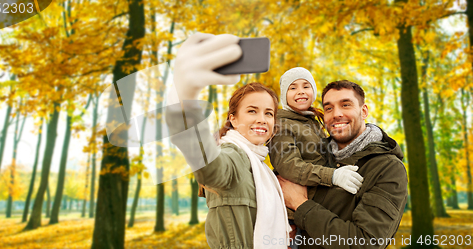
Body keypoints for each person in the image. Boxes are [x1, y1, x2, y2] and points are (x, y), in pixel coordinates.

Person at [166, 33, 290, 249]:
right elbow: (211, 168)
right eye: (252, 111)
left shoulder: (261, 166)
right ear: (233, 119)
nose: (262, 119)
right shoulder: (234, 156)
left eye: (269, 113)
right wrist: (184, 97)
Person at [277, 80, 408, 249]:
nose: (336, 114)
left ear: (364, 111)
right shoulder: (313, 154)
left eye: (346, 105)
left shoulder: (387, 168)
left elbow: (364, 243)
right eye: (329, 108)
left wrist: (300, 204)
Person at [269, 68, 364, 248]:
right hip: (293, 217)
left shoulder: (312, 121)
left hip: (316, 206)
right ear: (284, 95)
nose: (301, 92)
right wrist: (332, 176)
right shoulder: (282, 125)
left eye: (306, 86)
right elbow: (289, 166)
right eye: (293, 88)